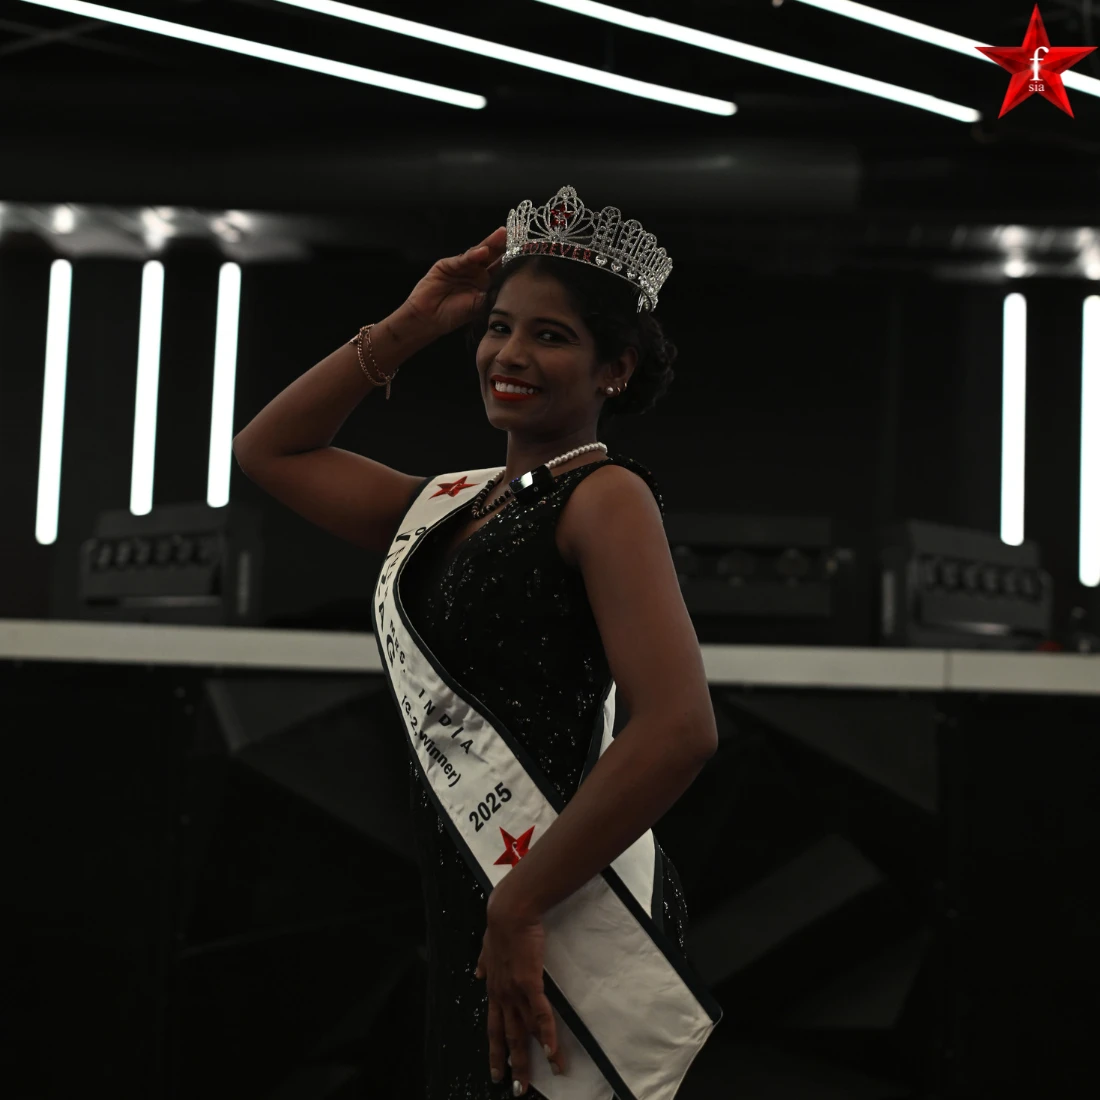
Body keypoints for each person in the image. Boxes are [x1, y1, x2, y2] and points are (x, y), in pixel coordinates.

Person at [233, 186, 722, 1100]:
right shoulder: (449, 506)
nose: (510, 354)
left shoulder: (606, 497)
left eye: (551, 336)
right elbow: (269, 450)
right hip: (483, 902)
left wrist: (523, 901)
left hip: (559, 904)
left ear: (615, 369)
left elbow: (679, 729)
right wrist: (410, 326)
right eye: (498, 328)